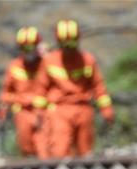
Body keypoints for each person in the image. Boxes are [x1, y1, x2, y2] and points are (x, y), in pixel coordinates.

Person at [36, 19, 115, 158]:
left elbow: (98, 86)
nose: (68, 47)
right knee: (59, 150)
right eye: (64, 43)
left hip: (83, 109)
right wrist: (39, 112)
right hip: (59, 110)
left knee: (85, 152)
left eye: (71, 43)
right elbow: (41, 89)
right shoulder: (49, 61)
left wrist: (106, 110)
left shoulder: (88, 60)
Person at [0, 26, 49, 158]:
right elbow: (5, 93)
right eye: (24, 48)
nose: (28, 52)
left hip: (43, 113)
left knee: (44, 149)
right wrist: (3, 113)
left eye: (31, 48)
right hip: (23, 113)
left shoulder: (46, 64)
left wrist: (48, 55)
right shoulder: (14, 67)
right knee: (26, 147)